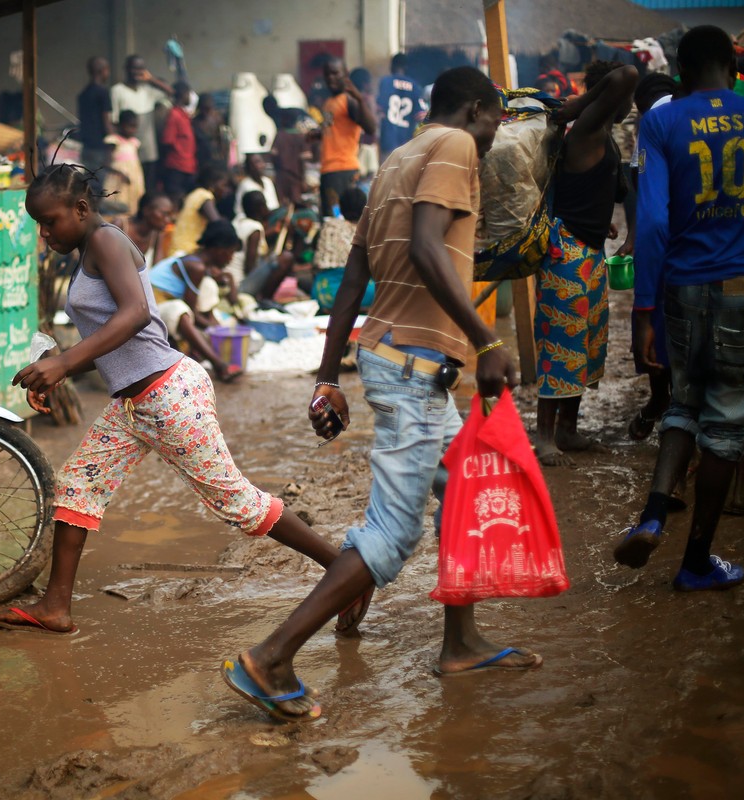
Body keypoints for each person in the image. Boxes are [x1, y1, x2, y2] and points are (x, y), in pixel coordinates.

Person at [222, 67, 540, 723]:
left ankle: (460, 643)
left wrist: (327, 376)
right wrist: (486, 341)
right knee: (393, 532)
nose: (493, 136)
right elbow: (425, 247)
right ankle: (271, 657)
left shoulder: (397, 158)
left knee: (462, 486)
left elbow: (353, 279)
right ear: (475, 110)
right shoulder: (454, 146)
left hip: (396, 356)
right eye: (494, 120)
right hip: (415, 363)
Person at [0, 165, 349, 635]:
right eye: (39, 224)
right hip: (132, 405)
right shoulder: (89, 250)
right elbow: (118, 341)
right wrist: (60, 368)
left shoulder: (106, 240)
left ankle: (344, 573)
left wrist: (65, 362)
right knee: (77, 486)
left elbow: (137, 314)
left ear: (80, 208)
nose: (44, 233)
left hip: (168, 396)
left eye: (49, 221)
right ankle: (56, 607)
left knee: (239, 505)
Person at [613, 26, 744, 591]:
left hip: (681, 287)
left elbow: (653, 221)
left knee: (683, 402)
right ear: (733, 66)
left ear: (679, 71)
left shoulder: (661, 121)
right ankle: (697, 560)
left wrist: (644, 310)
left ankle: (653, 514)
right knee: (726, 425)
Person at [533, 60, 638, 466]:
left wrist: (602, 224)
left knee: (585, 345)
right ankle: (545, 437)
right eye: (626, 98)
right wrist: (582, 103)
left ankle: (567, 429)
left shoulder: (603, 133)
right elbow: (627, 74)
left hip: (589, 250)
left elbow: (583, 188)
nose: (630, 102)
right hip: (568, 253)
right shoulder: (588, 128)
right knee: (561, 344)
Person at [617, 73, 678, 441]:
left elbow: (643, 192)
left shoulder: (652, 121)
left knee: (654, 321)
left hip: (664, 243)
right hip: (710, 250)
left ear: (640, 105)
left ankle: (662, 401)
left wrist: (636, 237)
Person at [149, 220, 244, 380]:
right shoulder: (196, 267)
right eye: (231, 252)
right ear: (219, 250)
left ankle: (204, 351)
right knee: (180, 310)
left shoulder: (199, 262)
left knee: (208, 287)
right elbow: (191, 312)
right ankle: (219, 365)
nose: (231, 259)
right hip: (151, 305)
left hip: (164, 303)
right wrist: (218, 330)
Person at [318, 58, 375, 218]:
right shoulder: (328, 103)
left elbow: (371, 128)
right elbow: (329, 129)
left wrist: (359, 99)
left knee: (338, 218)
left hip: (342, 169)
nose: (331, 78)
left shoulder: (349, 99)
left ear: (345, 74)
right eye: (327, 74)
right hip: (328, 170)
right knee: (330, 218)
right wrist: (315, 134)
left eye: (335, 73)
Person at [111, 55, 172, 193]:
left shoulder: (147, 90)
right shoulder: (117, 90)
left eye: (141, 68)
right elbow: (114, 120)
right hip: (128, 150)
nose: (137, 72)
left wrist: (151, 79)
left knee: (149, 186)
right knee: (131, 186)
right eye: (134, 68)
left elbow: (171, 92)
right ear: (126, 69)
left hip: (148, 148)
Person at [377, 54, 428, 162]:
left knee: (386, 170)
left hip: (388, 140)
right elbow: (421, 116)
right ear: (406, 67)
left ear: (392, 66)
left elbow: (379, 108)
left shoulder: (386, 82)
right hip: (407, 142)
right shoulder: (414, 86)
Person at [174, 164, 229, 254]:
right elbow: (218, 224)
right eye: (224, 185)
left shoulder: (196, 193)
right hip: (186, 250)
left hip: (178, 247)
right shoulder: (205, 196)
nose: (226, 190)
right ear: (212, 184)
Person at [160, 82, 199, 201]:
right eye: (188, 94)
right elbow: (167, 141)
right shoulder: (174, 115)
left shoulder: (184, 115)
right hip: (177, 167)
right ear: (183, 94)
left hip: (188, 166)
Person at [103, 111, 146, 216]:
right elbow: (106, 163)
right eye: (130, 126)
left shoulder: (134, 142)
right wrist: (120, 173)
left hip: (134, 178)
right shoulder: (114, 141)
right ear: (121, 125)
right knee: (118, 201)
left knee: (132, 201)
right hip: (117, 179)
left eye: (135, 127)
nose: (133, 130)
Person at [115, 191, 174, 266]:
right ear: (146, 210)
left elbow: (157, 268)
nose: (168, 220)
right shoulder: (121, 226)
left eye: (169, 216)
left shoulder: (157, 234)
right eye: (164, 214)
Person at [77, 56, 114, 173]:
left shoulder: (83, 94)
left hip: (86, 146)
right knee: (101, 179)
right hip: (100, 147)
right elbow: (106, 121)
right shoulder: (103, 92)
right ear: (102, 71)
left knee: (89, 179)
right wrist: (114, 140)